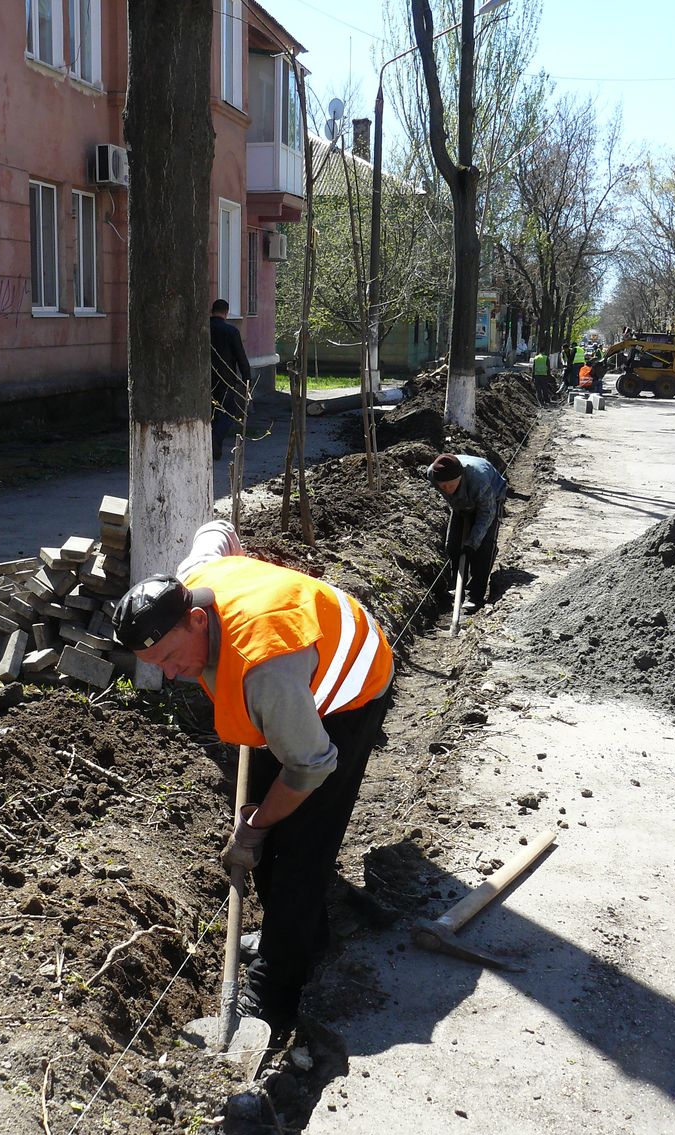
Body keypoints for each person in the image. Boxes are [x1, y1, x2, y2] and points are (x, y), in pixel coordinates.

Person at [112, 520, 394, 1041]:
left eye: (171, 658)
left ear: (198, 619)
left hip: (350, 683)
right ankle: (305, 934)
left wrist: (257, 826)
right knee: (272, 828)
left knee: (302, 845)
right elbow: (216, 530)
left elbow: (310, 765)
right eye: (157, 665)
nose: (171, 675)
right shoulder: (196, 575)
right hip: (290, 681)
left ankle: (276, 989)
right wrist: (259, 825)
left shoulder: (265, 668)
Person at [426, 453, 507, 611]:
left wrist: (472, 543)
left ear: (460, 476)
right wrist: (463, 507)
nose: (446, 490)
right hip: (462, 503)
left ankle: (475, 595)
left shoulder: (479, 480)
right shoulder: (433, 475)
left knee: (483, 548)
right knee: (453, 546)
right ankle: (458, 588)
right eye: (443, 486)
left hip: (491, 499)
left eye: (450, 485)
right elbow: (450, 497)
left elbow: (486, 514)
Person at [210, 299, 251, 461]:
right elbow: (241, 357)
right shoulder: (231, 331)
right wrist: (247, 379)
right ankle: (215, 438)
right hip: (225, 380)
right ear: (226, 313)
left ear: (211, 311)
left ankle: (211, 443)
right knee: (228, 411)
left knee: (209, 412)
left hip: (204, 379)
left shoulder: (203, 329)